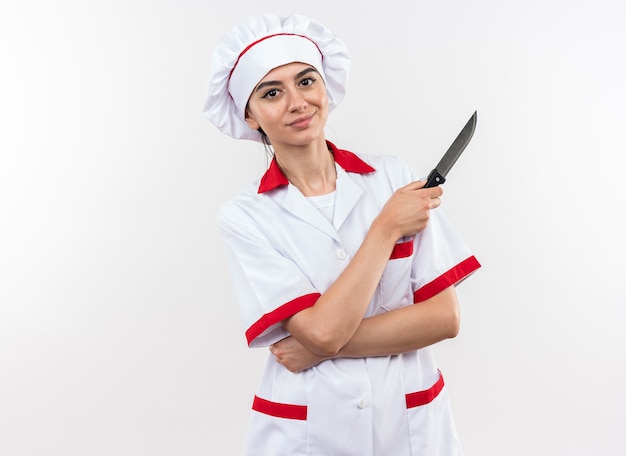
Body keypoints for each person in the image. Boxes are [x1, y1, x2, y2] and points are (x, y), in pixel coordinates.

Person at [203, 13, 480, 456]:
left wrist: (319, 349)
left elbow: (444, 319)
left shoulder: (393, 177)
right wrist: (386, 227)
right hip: (309, 428)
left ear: (326, 87)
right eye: (271, 93)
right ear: (250, 116)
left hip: (408, 420)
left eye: (306, 81)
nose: (297, 102)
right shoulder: (245, 217)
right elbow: (320, 332)